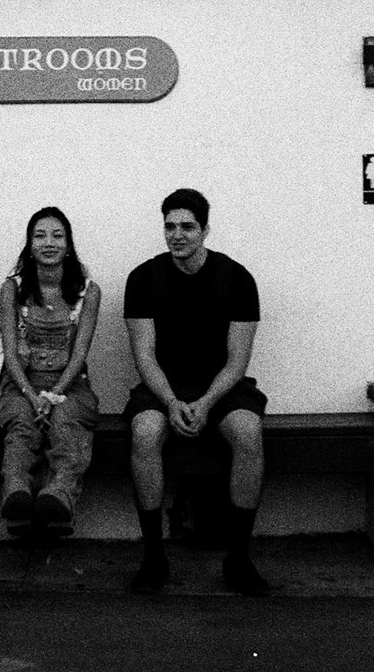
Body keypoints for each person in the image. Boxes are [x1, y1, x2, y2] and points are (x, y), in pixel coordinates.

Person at [122, 187, 271, 595]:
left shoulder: (237, 279)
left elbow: (237, 361)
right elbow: (144, 356)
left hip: (221, 386)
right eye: (170, 226)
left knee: (248, 432)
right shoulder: (143, 279)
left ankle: (238, 558)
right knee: (145, 432)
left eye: (187, 226)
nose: (177, 235)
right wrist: (171, 402)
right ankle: (154, 556)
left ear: (205, 230)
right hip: (162, 386)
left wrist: (205, 403)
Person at [0, 206, 102, 531]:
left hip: (70, 385)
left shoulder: (88, 292)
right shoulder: (12, 289)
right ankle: (16, 494)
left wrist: (53, 396)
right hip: (20, 383)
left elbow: (79, 354)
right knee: (21, 423)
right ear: (30, 245)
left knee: (66, 422)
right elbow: (10, 355)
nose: (49, 243)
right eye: (40, 236)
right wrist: (32, 396)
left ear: (68, 245)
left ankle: (59, 497)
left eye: (57, 236)